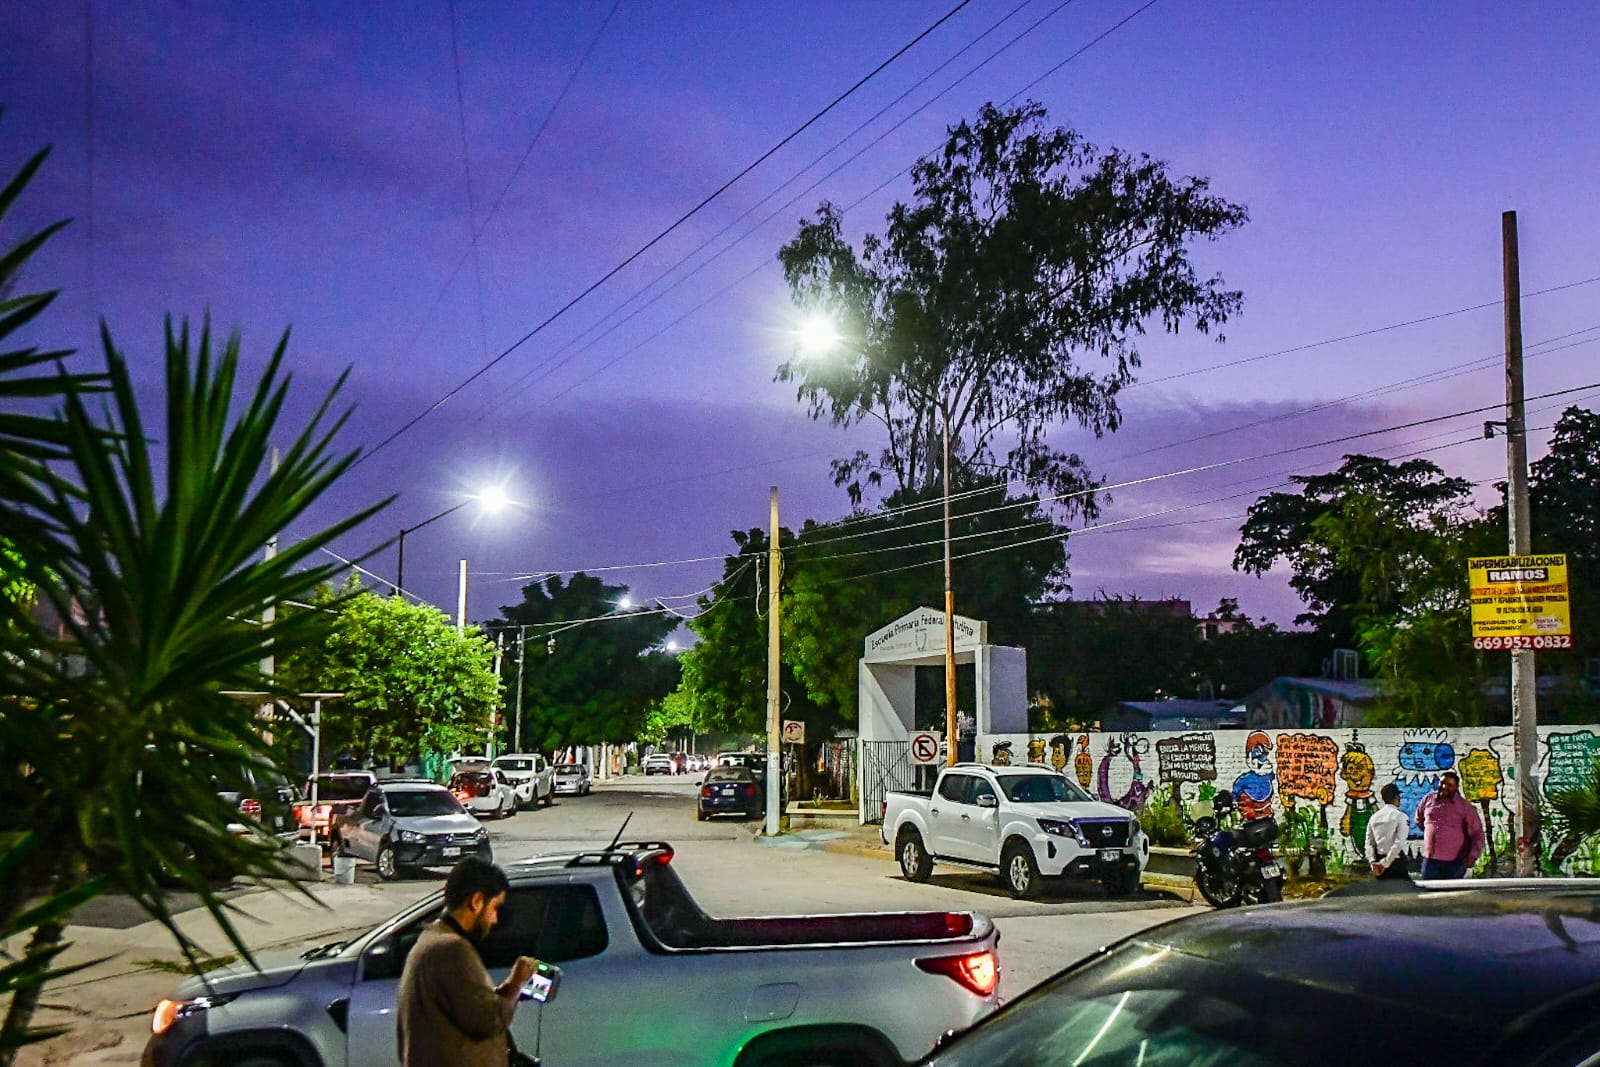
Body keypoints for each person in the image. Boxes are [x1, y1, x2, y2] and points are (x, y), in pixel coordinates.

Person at [397, 855, 540, 1067]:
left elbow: (468, 1007)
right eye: (494, 907)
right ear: (476, 901)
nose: (495, 919)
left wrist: (505, 990)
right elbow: (489, 1020)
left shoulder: (432, 940)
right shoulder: (450, 949)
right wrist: (517, 983)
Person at [1415, 770, 1485, 879]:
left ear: (1456, 787)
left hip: (1455, 862)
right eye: (1442, 783)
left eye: (1449, 785)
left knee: (1452, 890)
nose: (1444, 787)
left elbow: (1477, 833)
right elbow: (1419, 820)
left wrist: (1473, 855)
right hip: (1430, 860)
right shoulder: (1428, 799)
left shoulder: (1464, 807)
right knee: (1429, 889)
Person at [1364, 783, 1412, 880]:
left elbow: (1369, 843)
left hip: (1378, 860)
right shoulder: (1401, 816)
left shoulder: (1374, 817)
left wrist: (1372, 862)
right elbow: (1399, 843)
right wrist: (1385, 863)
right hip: (1395, 862)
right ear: (1397, 798)